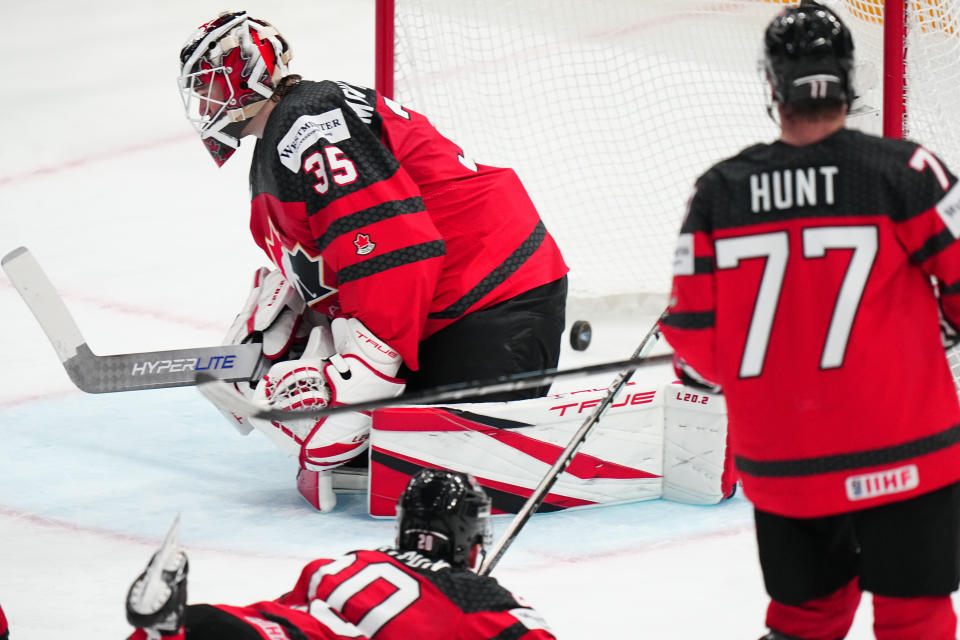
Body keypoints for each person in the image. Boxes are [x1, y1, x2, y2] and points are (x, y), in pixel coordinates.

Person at [176, 12, 569, 512]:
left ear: (246, 69)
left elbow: (391, 242)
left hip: (490, 297)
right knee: (378, 458)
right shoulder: (283, 140)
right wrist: (291, 323)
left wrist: (364, 368)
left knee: (449, 489)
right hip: (443, 307)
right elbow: (342, 251)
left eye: (208, 83)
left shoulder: (310, 121)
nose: (203, 101)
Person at [658, 2, 960, 639]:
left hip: (786, 463)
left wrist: (714, 369)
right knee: (915, 616)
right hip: (904, 449)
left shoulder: (720, 191)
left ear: (774, 85)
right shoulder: (902, 172)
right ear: (847, 79)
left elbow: (694, 341)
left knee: (804, 618)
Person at [124, 468, 556, 639]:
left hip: (260, 627)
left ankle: (167, 627)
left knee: (199, 625)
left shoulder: (353, 562)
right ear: (470, 541)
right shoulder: (475, 598)